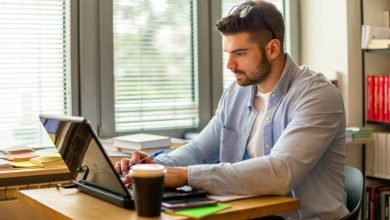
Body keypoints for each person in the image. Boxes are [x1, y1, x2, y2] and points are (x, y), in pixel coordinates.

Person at [116, 1, 348, 219]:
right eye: (228, 53)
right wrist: (158, 168)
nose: (229, 65)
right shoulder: (237, 93)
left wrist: (186, 175)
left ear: (273, 49)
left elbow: (280, 172)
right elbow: (199, 150)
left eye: (240, 53)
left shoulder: (317, 95)